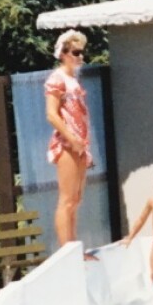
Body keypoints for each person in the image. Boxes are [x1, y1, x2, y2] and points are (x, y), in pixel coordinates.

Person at [45, 30, 95, 247]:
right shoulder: (57, 79)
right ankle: (68, 250)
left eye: (82, 53)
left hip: (80, 145)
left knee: (76, 200)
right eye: (76, 52)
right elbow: (51, 114)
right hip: (67, 144)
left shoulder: (73, 79)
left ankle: (74, 247)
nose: (80, 57)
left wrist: (83, 144)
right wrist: (72, 139)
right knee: (66, 200)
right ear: (63, 53)